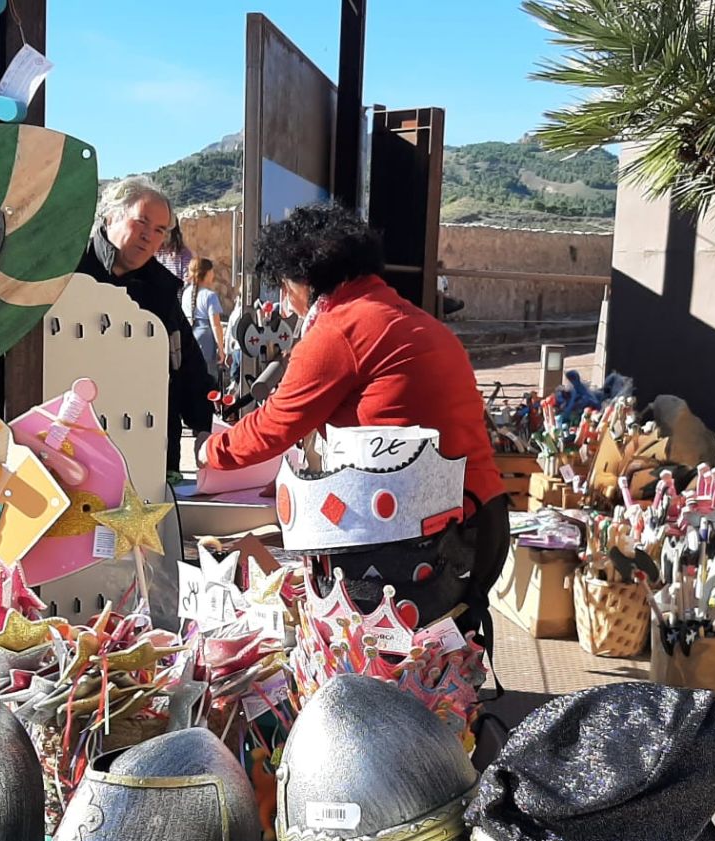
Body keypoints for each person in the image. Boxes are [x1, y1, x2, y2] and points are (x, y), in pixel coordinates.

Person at [201, 203, 510, 644]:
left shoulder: (339, 330)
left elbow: (274, 426)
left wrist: (209, 451)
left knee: (386, 679)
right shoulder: (413, 319)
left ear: (304, 279)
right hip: (481, 519)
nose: (286, 303)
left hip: (423, 539)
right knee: (446, 670)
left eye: (286, 287)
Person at [77, 177, 213, 470]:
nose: (149, 236)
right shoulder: (67, 272)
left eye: (159, 230)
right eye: (141, 222)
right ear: (112, 215)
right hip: (72, 449)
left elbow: (187, 363)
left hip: (149, 451)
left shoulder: (161, 290)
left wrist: (202, 427)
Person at [182, 258, 226, 380]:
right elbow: (216, 325)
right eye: (211, 271)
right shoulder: (210, 296)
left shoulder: (186, 293)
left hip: (189, 337)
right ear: (207, 274)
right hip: (206, 341)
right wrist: (221, 349)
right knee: (207, 378)